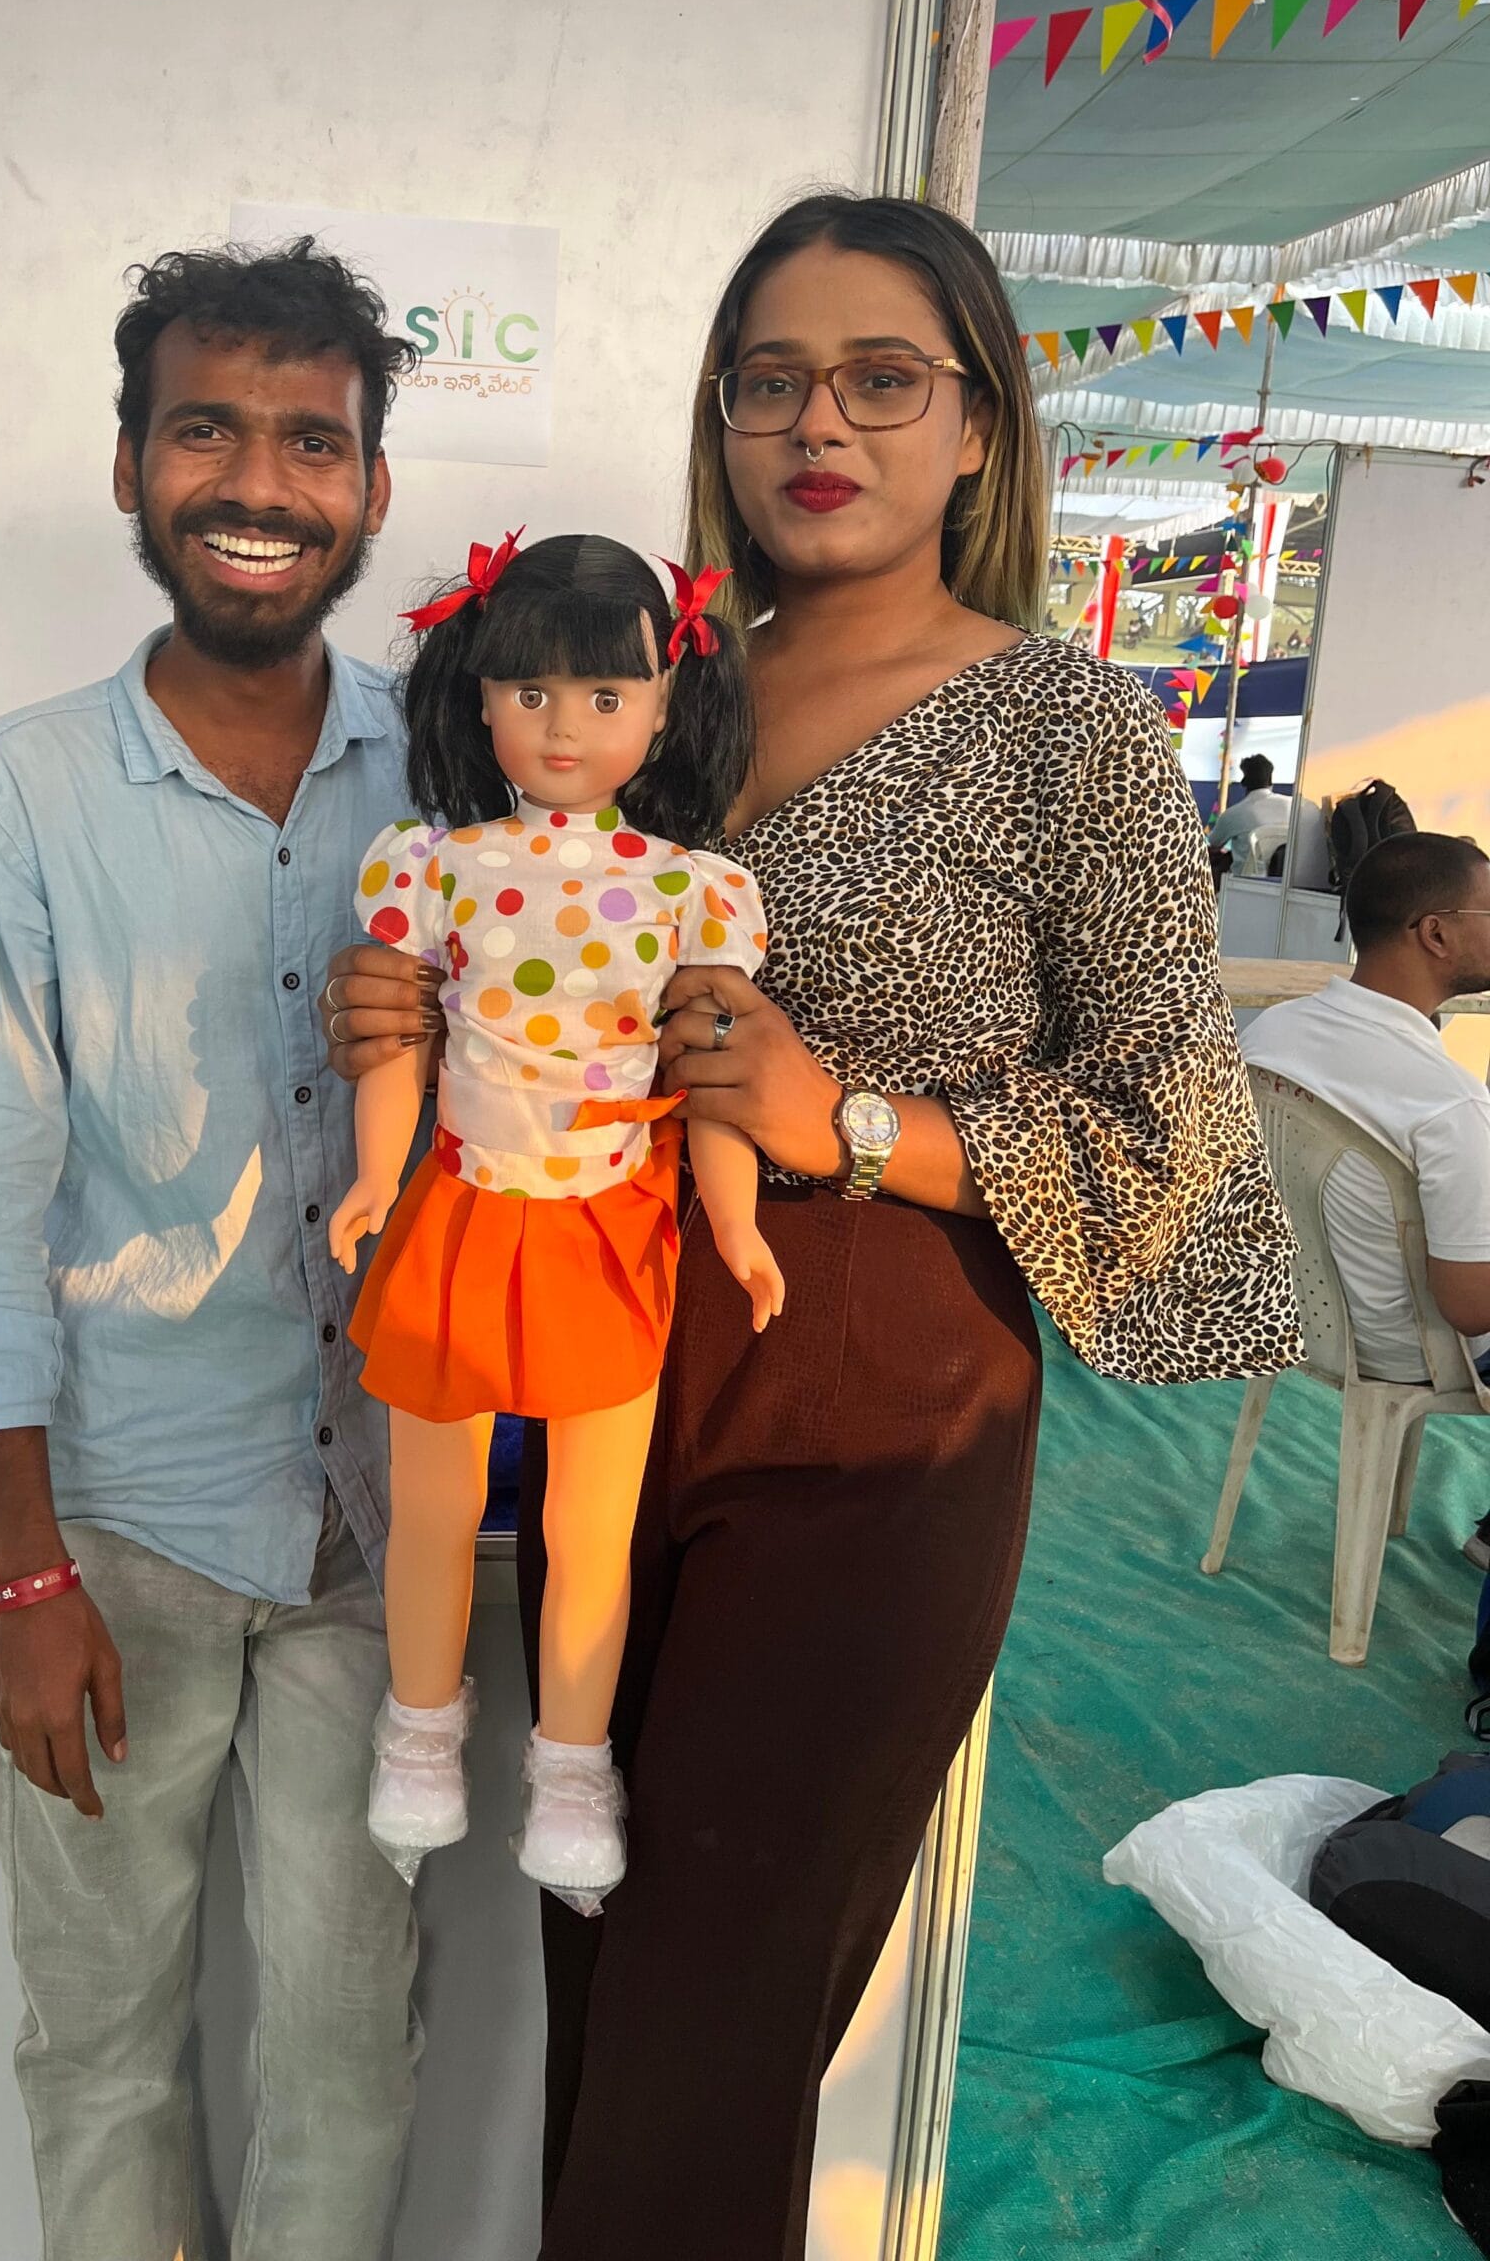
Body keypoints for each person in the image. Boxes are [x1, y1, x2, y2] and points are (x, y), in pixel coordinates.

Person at [325, 191, 1300, 2259]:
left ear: (980, 425)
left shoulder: (1067, 729)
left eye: (881, 378)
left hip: (878, 1424)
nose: (818, 423)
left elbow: (1183, 1143)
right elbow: (530, 954)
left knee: (708, 2028)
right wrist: (405, 1011)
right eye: (770, 380)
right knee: (604, 1971)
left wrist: (846, 1118)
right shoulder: (659, 694)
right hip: (610, 1375)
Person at [0, 239, 425, 2261]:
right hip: (121, 1523)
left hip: (381, 1523)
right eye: (207, 429)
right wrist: (26, 1570)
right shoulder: (27, 786)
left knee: (352, 2046)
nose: (260, 482)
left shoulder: (456, 769)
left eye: (312, 440)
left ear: (371, 487)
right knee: (107, 2044)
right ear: (129, 464)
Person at [329, 532, 768, 1907]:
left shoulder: (694, 889)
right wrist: (374, 1173)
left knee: (592, 1523)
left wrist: (736, 1224)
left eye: (604, 696)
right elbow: (398, 1036)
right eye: (530, 693)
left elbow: (711, 1071)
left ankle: (573, 1761)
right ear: (479, 701)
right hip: (462, 1205)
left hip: (611, 1221)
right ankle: (420, 1731)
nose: (563, 725)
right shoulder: (435, 865)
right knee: (433, 1504)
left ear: (664, 709)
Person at [1243, 830, 1490, 1500]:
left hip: (1298, 1309)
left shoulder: (1273, 1032)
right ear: (1436, 933)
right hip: (1410, 1347)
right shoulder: (1449, 1100)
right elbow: (1471, 1307)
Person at [1210, 751, 1290, 873]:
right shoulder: (1291, 805)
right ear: (1270, 781)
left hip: (1243, 880)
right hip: (1284, 877)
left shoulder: (1233, 814)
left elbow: (1214, 844)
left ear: (1244, 782)